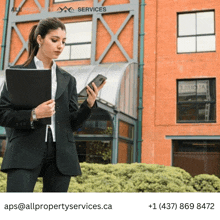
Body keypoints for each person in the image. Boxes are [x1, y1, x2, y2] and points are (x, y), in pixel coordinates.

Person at [0, 17, 106, 192]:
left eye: (63, 42)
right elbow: (2, 113)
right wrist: (33, 114)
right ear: (39, 39)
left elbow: (72, 123)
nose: (60, 46)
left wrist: (88, 104)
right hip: (24, 150)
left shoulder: (67, 79)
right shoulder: (18, 74)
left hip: (61, 155)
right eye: (54, 40)